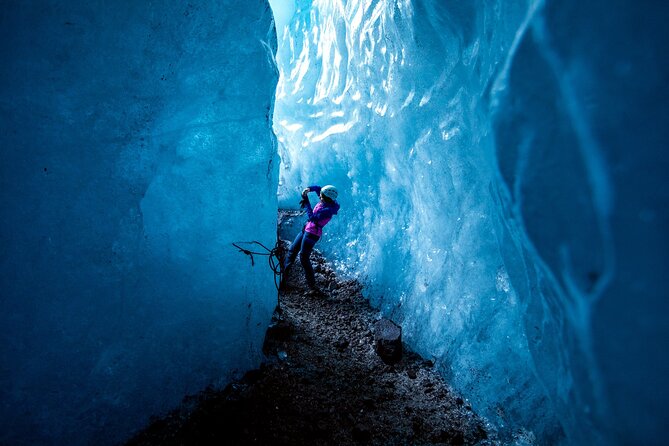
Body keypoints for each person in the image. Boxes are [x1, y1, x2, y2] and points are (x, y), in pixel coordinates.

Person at [283, 184, 340, 294]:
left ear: (327, 198)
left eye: (321, 196)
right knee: (292, 250)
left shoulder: (327, 210)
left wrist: (306, 201)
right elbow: (318, 188)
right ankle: (284, 276)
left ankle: (312, 286)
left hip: (312, 234)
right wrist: (309, 189)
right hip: (306, 229)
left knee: (304, 258)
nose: (319, 197)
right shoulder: (327, 200)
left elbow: (312, 218)